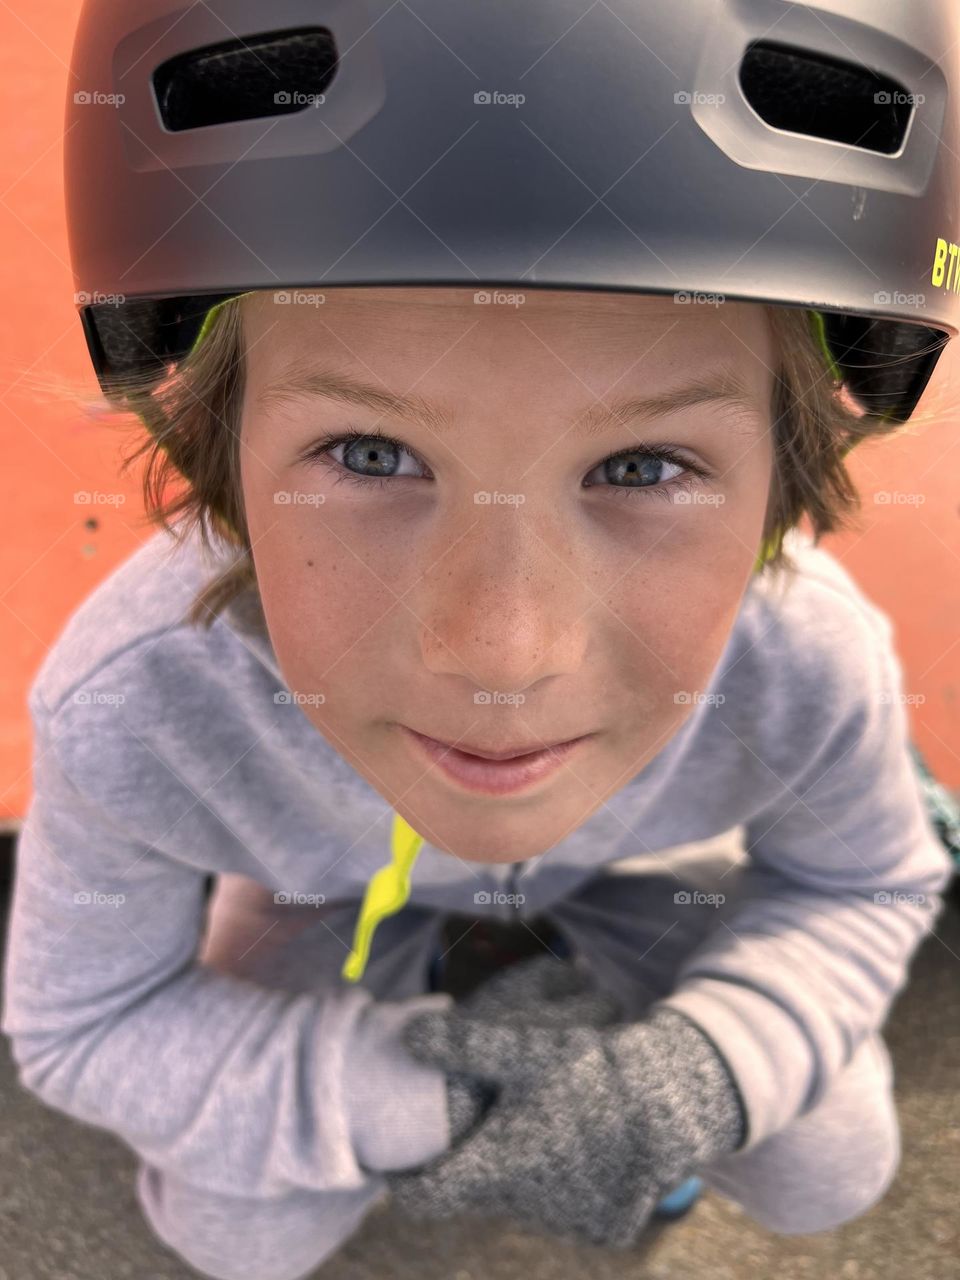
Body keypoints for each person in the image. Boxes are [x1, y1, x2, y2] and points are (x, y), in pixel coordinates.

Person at [3, 3, 957, 1278]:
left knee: (832, 1159)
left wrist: (703, 1071)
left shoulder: (807, 658)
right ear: (217, 455)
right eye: (368, 453)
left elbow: (865, 883)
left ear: (786, 485)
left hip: (629, 878)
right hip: (335, 900)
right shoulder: (138, 703)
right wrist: (423, 1098)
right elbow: (81, 1022)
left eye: (642, 465)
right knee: (237, 1238)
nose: (504, 657)